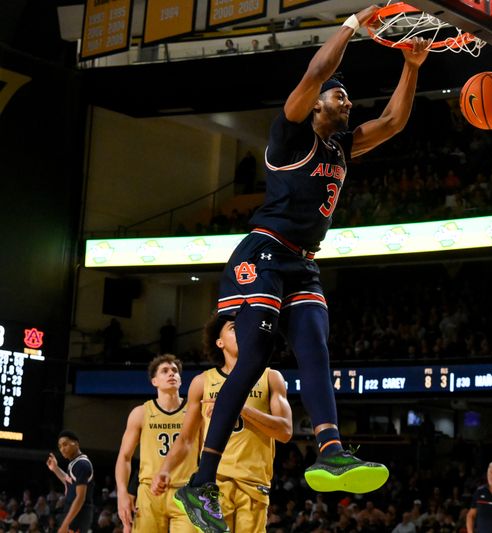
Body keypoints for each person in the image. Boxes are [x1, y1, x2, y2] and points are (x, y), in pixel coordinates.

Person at [172, 5, 430, 531]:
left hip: (303, 264)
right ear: (316, 108)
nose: (346, 100)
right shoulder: (291, 134)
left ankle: (331, 450)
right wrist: (354, 24)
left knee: (315, 350)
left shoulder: (342, 145)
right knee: (252, 363)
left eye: (346, 96)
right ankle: (202, 483)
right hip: (262, 254)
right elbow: (315, 74)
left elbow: (394, 122)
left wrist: (413, 64)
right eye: (340, 96)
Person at [154, 314, 292, 533]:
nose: (243, 332)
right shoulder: (202, 382)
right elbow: (187, 438)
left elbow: (285, 432)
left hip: (255, 484)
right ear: (219, 342)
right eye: (234, 328)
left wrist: (239, 408)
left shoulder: (271, 377)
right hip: (214, 486)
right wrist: (165, 469)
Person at [114, 354, 198, 533]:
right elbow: (125, 457)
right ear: (154, 381)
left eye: (175, 371)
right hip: (149, 492)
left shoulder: (194, 412)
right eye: (165, 371)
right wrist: (122, 492)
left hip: (186, 490)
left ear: (181, 380)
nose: (171, 374)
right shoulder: (141, 413)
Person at [46, 430, 94, 533]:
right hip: (73, 512)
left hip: (79, 514)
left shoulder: (82, 464)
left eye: (65, 444)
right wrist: (55, 468)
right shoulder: (75, 463)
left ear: (76, 444)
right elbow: (69, 482)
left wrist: (65, 525)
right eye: (60, 446)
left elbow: (80, 498)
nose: (62, 449)